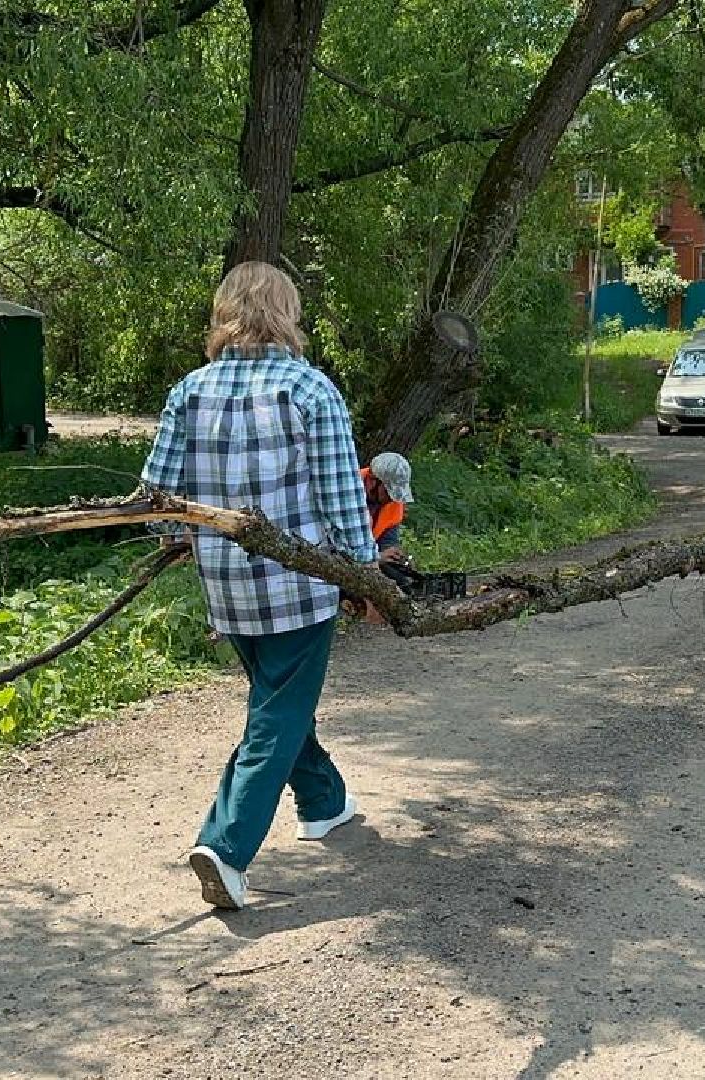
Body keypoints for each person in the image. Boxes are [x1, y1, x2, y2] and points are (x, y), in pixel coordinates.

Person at [141, 260, 375, 911]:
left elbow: (155, 495)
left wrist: (173, 540)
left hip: (228, 588)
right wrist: (364, 572)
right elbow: (340, 497)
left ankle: (324, 803)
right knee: (277, 711)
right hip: (300, 587)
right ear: (286, 313)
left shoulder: (190, 391)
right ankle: (227, 844)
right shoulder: (309, 389)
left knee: (279, 701)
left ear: (226, 314)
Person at [360, 452, 414, 565]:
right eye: (388, 491)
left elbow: (388, 541)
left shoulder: (395, 501)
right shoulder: (347, 494)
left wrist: (394, 555)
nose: (392, 498)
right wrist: (376, 558)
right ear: (372, 481)